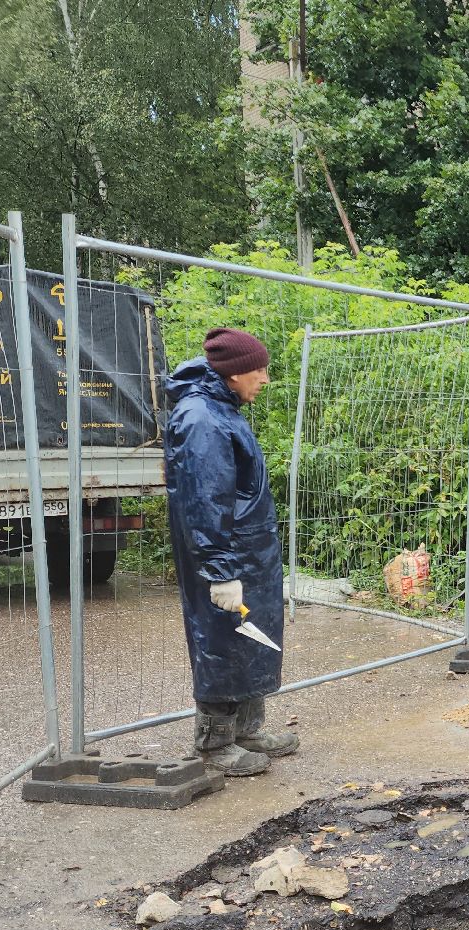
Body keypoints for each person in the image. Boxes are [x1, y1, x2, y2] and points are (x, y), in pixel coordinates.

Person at [164, 327, 298, 776]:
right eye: (257, 370)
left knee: (251, 635)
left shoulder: (223, 408)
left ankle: (247, 730)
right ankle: (215, 743)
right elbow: (203, 500)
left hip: (249, 552)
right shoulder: (201, 418)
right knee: (222, 639)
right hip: (227, 553)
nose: (264, 378)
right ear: (234, 372)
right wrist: (219, 570)